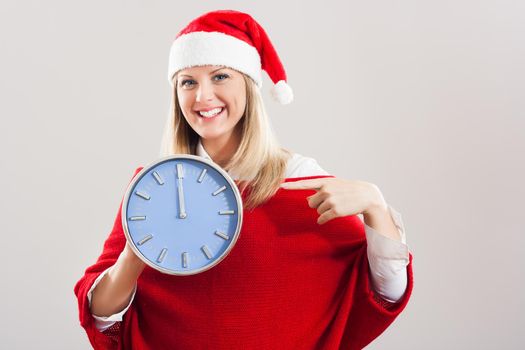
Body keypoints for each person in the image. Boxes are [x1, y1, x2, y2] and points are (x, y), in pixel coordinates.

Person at [74, 9, 413, 350]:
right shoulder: (152, 187)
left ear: (249, 87)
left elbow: (384, 292)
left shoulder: (298, 180)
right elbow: (100, 313)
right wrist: (136, 254)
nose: (202, 96)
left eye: (220, 76)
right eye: (187, 81)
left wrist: (375, 206)